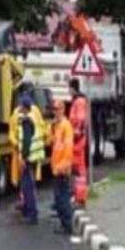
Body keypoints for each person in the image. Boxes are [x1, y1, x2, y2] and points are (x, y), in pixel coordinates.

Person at [17, 95, 45, 225]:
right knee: (28, 185)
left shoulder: (27, 121)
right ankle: (30, 212)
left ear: (24, 107)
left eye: (21, 105)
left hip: (29, 158)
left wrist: (23, 158)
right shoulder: (33, 117)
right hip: (34, 156)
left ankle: (32, 214)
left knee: (28, 187)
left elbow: (27, 141)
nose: (19, 107)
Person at [51, 99, 75, 234]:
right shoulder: (58, 126)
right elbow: (53, 143)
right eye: (54, 109)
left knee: (63, 197)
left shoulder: (66, 126)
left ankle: (67, 225)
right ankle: (64, 223)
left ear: (62, 110)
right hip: (56, 167)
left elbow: (68, 148)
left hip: (62, 168)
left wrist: (63, 166)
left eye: (57, 109)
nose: (55, 112)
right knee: (58, 197)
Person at [68, 78, 89, 206]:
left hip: (78, 141)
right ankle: (77, 196)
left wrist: (76, 136)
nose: (68, 90)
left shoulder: (79, 102)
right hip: (77, 140)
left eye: (69, 88)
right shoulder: (77, 101)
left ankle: (80, 198)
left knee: (79, 171)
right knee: (77, 171)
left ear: (73, 88)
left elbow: (80, 121)